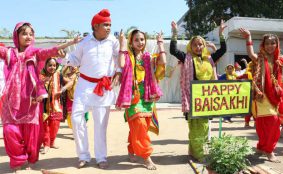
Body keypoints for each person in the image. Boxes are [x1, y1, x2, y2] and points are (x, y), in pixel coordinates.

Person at [0, 22, 79, 172]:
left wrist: (69, 43)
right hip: (12, 103)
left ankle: (30, 160)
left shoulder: (35, 53)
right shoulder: (9, 53)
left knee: (32, 135)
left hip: (31, 101)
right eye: (24, 33)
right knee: (10, 131)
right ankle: (17, 161)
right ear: (16, 36)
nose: (28, 36)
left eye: (31, 34)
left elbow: (50, 51)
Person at [62, 9, 121, 169]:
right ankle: (83, 156)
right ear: (95, 26)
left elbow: (119, 59)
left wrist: (118, 72)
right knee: (76, 118)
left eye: (110, 25)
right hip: (84, 86)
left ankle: (101, 158)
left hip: (103, 87)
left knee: (101, 124)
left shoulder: (114, 41)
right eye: (105, 25)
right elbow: (74, 59)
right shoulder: (84, 42)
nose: (108, 27)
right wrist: (64, 58)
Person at [170, 20, 227, 162]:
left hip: (206, 99)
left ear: (204, 45)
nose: (198, 47)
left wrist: (221, 34)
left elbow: (223, 50)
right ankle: (199, 154)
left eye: (200, 44)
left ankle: (193, 150)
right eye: (195, 44)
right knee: (196, 127)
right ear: (191, 46)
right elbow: (173, 50)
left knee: (203, 126)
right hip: (192, 99)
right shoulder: (186, 57)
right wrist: (175, 33)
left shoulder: (209, 58)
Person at [239, 28, 283, 162]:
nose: (270, 46)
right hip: (262, 96)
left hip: (278, 97)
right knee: (261, 125)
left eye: (273, 43)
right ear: (263, 45)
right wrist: (248, 38)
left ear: (277, 44)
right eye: (267, 43)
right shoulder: (259, 58)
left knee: (274, 122)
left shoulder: (282, 60)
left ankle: (268, 150)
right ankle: (262, 147)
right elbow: (250, 53)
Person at [116, 29, 166, 170]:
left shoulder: (148, 57)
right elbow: (120, 64)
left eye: (142, 39)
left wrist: (160, 43)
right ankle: (146, 157)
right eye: (136, 40)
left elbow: (163, 62)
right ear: (131, 42)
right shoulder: (127, 55)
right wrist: (122, 44)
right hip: (132, 96)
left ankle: (132, 150)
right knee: (139, 124)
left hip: (147, 95)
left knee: (141, 127)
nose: (140, 42)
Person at [39, 58, 67, 154]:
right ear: (45, 66)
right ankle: (46, 144)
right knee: (45, 126)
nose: (52, 67)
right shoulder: (40, 76)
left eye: (54, 65)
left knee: (55, 125)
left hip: (56, 105)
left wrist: (62, 90)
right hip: (43, 106)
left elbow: (70, 82)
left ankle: (52, 142)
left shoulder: (58, 75)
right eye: (50, 65)